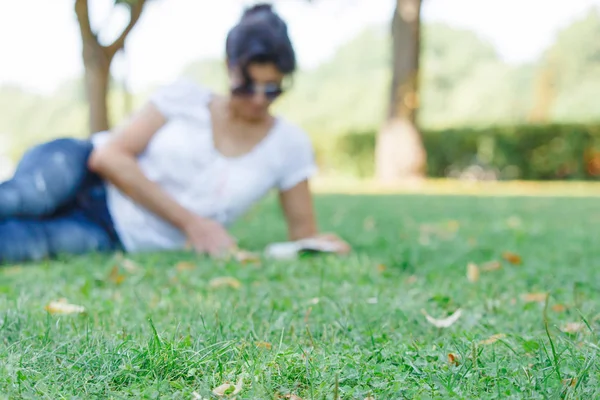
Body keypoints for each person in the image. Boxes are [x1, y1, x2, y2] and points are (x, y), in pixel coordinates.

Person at [0, 3, 350, 265]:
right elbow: (107, 157)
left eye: (272, 89)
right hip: (82, 168)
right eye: (249, 85)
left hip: (115, 234)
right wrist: (193, 224)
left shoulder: (290, 145)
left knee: (28, 244)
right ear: (230, 69)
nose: (259, 99)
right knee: (25, 197)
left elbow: (302, 234)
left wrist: (319, 247)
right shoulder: (185, 97)